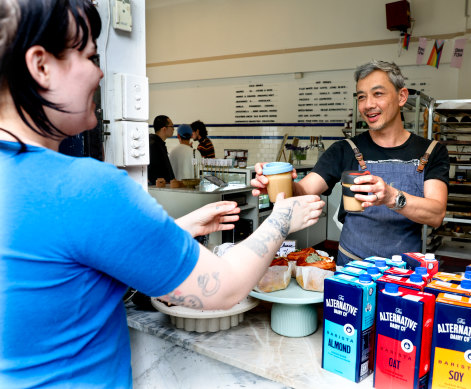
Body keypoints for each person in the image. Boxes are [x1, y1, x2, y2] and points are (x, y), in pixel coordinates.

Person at [0, 1, 325, 387]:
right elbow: (224, 288)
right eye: (90, 56)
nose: (100, 72)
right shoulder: (87, 188)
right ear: (41, 66)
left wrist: (179, 227)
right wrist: (282, 218)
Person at [252, 60, 449, 266]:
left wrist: (391, 197)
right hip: (351, 269)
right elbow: (304, 190)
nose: (368, 105)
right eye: (361, 97)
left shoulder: (431, 151)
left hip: (405, 274)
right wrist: (279, 183)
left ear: (402, 97)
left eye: (378, 94)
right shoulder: (345, 149)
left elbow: (436, 214)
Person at [148, 114, 175, 185]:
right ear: (164, 129)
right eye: (171, 126)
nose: (173, 129)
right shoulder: (153, 145)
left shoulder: (160, 144)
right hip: (158, 189)